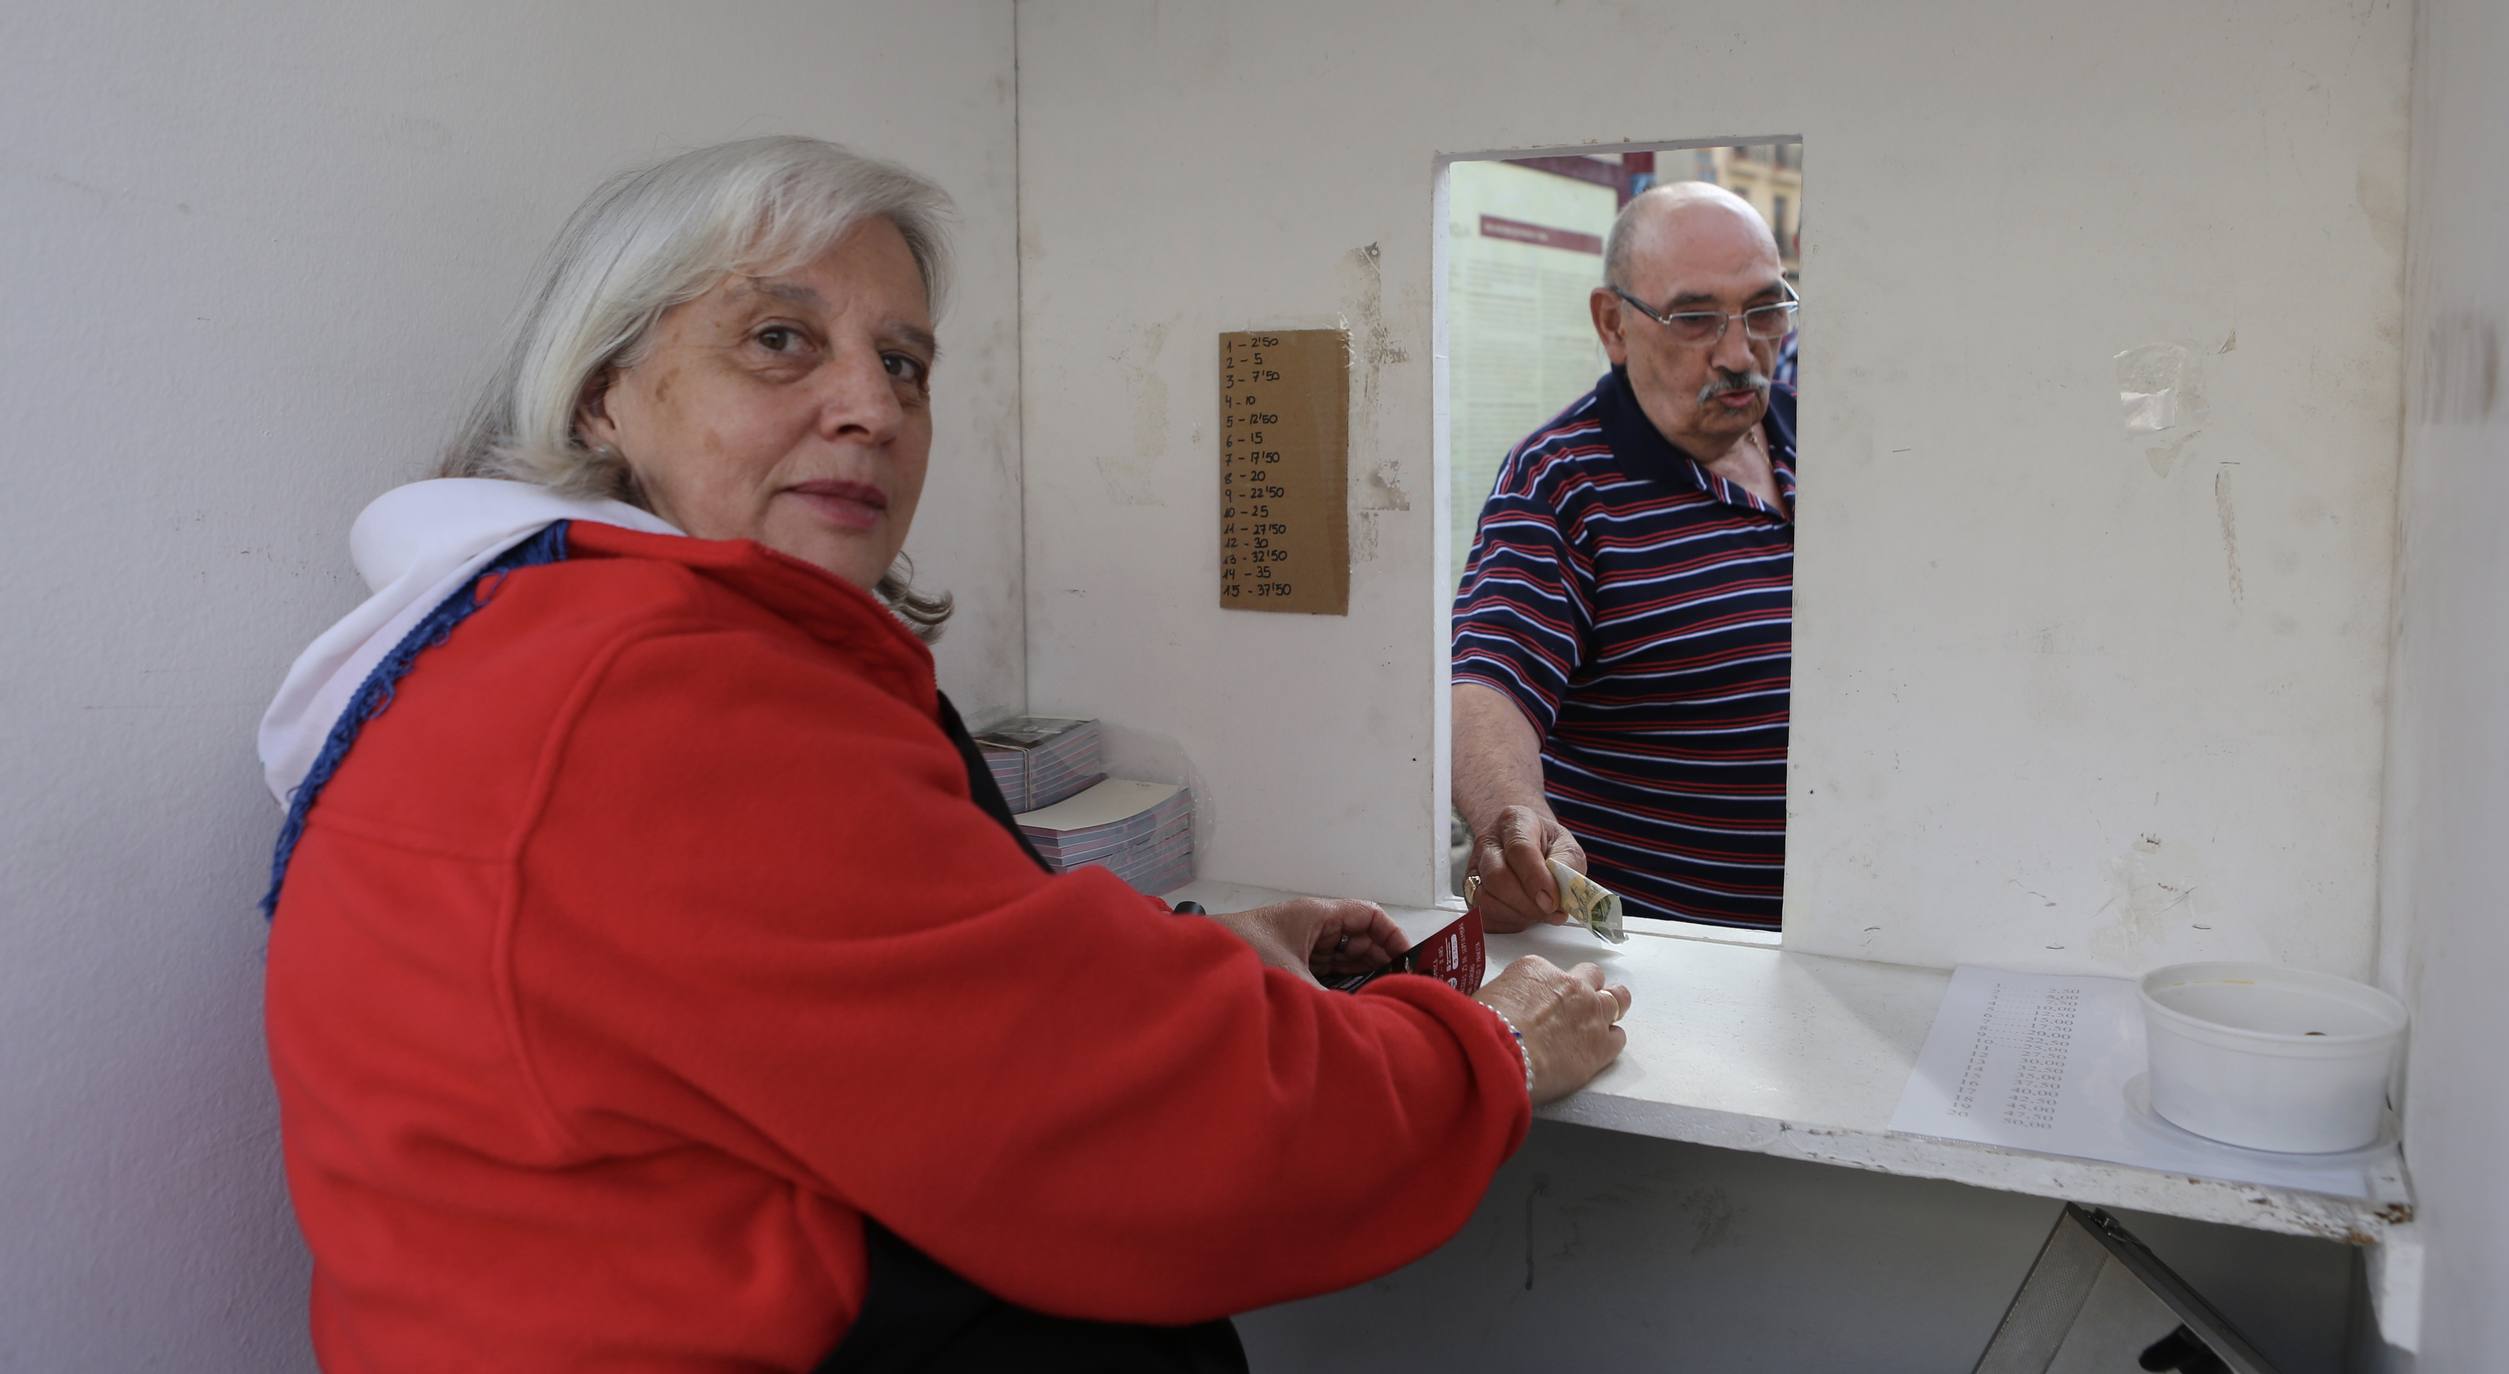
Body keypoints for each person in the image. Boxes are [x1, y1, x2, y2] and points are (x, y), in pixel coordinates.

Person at [255, 136, 1630, 1372]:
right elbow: (1157, 1141)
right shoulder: (664, 703)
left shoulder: (507, 638)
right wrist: (1483, 1047)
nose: (871, 406)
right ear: (604, 393)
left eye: (903, 361)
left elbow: (875, 997)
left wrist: (1204, 948)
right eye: (781, 339)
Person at [1451, 182, 1799, 933]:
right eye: (1695, 319)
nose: (1740, 354)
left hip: (1859, 942)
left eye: (1765, 311)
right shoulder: (1561, 481)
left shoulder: (1833, 429)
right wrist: (1511, 817)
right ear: (1613, 323)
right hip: (1677, 961)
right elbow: (1486, 683)